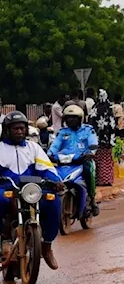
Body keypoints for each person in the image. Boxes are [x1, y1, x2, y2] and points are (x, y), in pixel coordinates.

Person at [0, 111, 62, 269]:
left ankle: (47, 246)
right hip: (6, 189)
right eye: (15, 129)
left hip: (31, 190)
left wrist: (55, 182)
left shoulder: (33, 147)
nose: (19, 132)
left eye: (22, 128)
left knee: (53, 200)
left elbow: (47, 168)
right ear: (7, 130)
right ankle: (4, 240)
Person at [48, 105, 100, 216]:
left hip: (82, 160)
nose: (71, 120)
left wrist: (91, 153)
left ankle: (91, 197)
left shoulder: (88, 130)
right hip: (64, 162)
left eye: (74, 117)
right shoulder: (63, 132)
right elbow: (55, 145)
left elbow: (93, 142)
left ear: (80, 118)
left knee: (89, 169)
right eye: (68, 118)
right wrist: (49, 154)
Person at [88, 89, 117, 187]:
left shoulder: (95, 108)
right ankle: (107, 179)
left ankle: (98, 179)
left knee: (97, 159)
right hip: (108, 139)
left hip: (97, 138)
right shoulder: (109, 107)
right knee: (107, 158)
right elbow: (113, 124)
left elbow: (91, 121)